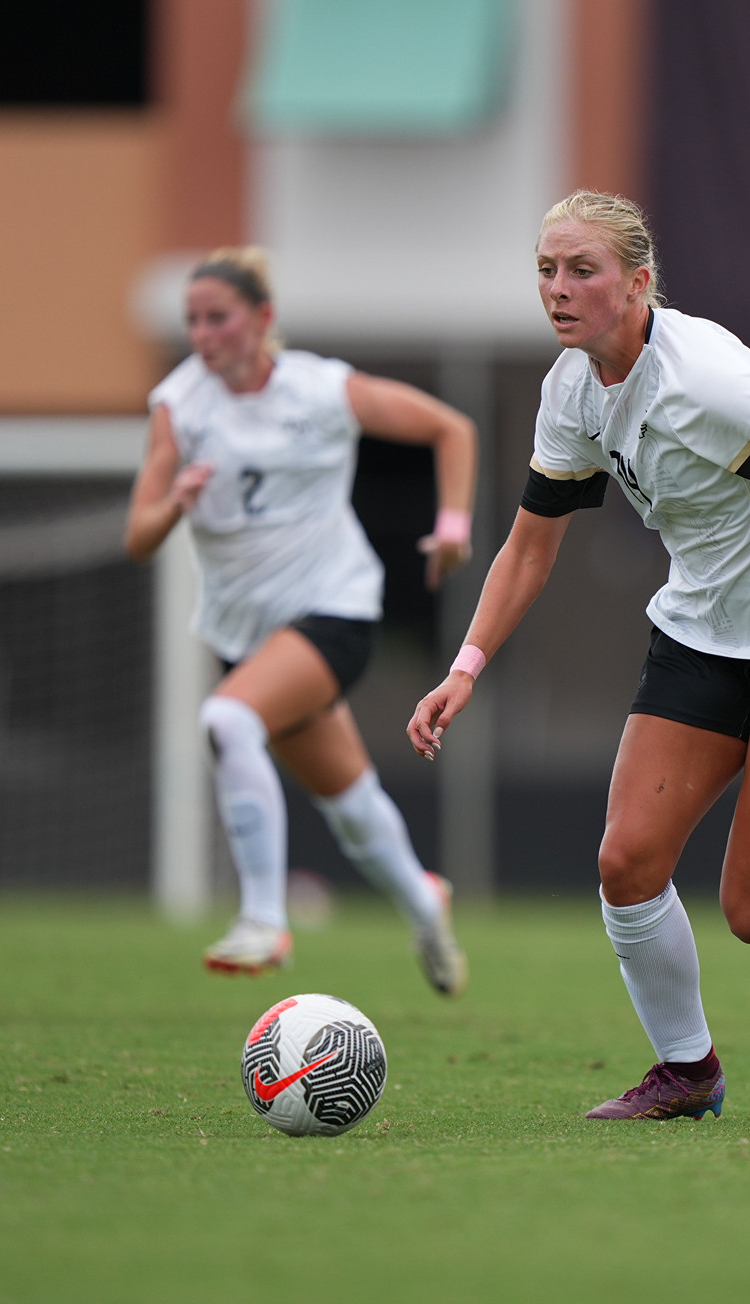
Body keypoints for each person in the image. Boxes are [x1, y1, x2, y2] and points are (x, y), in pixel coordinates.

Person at [408, 191, 750, 1120]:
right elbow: (530, 544)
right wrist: (463, 670)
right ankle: (688, 1072)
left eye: (581, 270)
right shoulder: (570, 388)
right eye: (546, 270)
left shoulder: (704, 378)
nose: (558, 289)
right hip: (701, 633)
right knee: (627, 862)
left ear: (637, 284)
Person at [127, 248, 475, 992]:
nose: (203, 334)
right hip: (244, 636)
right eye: (192, 320)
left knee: (227, 721)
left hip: (334, 611)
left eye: (218, 318)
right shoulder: (178, 405)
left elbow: (452, 429)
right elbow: (137, 535)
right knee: (350, 807)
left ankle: (261, 919)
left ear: (262, 320)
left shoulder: (321, 390)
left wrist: (451, 524)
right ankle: (424, 903)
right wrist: (173, 503)